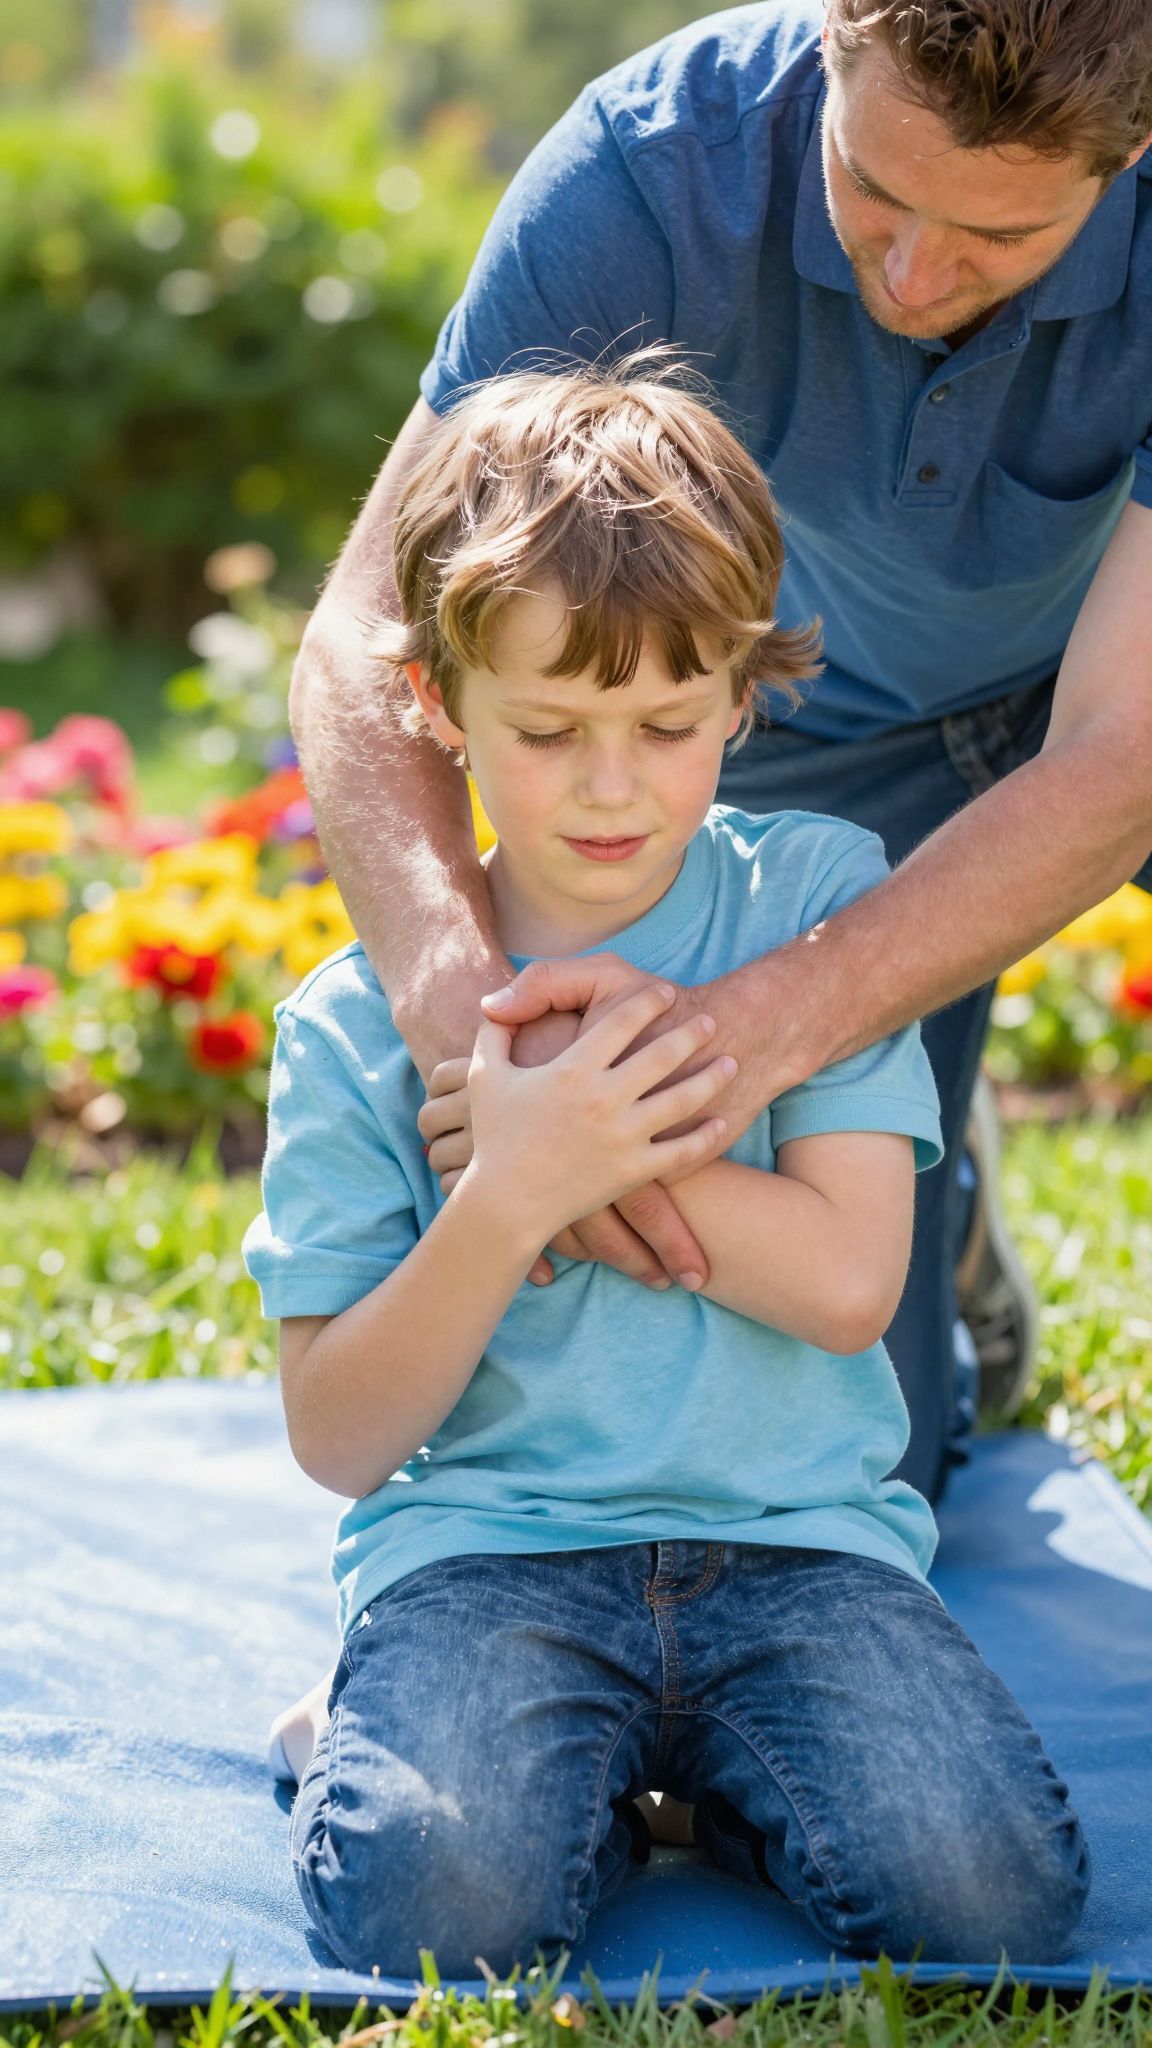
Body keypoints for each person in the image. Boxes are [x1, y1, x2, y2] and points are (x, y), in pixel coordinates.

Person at [242, 356, 1090, 1979]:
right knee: (436, 1906)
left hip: (802, 1551)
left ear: (745, 694)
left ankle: (685, 1790)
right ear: (439, 706)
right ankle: (410, 1724)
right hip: (492, 1556)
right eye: (549, 730)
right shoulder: (353, 1023)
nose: (615, 784)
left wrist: (585, 1131)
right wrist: (504, 1193)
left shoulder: (818, 903)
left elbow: (848, 1291)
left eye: (669, 722)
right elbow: (343, 1434)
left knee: (991, 1896)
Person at [287, 0, 1152, 1512]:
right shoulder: (650, 168)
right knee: (878, 1463)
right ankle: (936, 1207)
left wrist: (776, 1029)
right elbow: (367, 637)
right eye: (873, 191)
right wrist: (485, 1059)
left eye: (997, 238)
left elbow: (1122, 748)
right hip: (835, 715)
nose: (913, 274)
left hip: (1117, 690)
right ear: (832, 46)